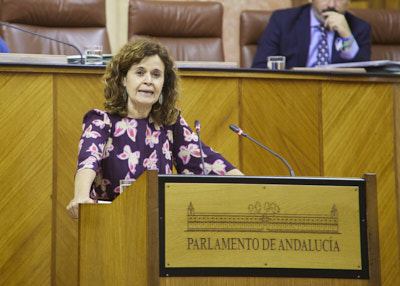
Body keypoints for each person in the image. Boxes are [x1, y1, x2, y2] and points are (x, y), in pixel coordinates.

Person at [67, 38, 243, 219]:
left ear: (164, 84)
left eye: (156, 75)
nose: (148, 81)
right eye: (140, 72)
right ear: (123, 79)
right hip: (112, 225)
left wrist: (247, 185)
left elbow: (206, 161)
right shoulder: (102, 122)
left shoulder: (169, 124)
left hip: (159, 223)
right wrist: (81, 195)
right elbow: (88, 161)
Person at [252, 0, 371, 69]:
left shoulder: (359, 28)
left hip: (338, 100)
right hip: (291, 95)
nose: (331, 5)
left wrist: (347, 37)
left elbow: (365, 75)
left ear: (349, 2)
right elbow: (261, 66)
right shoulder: (283, 21)